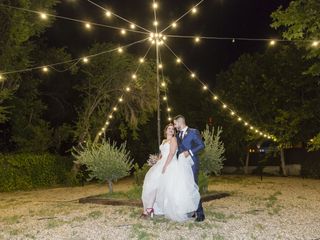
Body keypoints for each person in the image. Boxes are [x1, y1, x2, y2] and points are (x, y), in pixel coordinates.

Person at [141, 123, 200, 222]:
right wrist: (157, 160)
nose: (171, 130)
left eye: (173, 129)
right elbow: (162, 153)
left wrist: (165, 165)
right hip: (161, 164)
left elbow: (172, 153)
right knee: (153, 186)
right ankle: (149, 209)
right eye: (169, 128)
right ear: (166, 130)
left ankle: (180, 209)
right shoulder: (164, 141)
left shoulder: (174, 139)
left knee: (171, 189)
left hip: (170, 164)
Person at [173, 115, 206, 222]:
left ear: (180, 122)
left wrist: (190, 152)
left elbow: (201, 145)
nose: (174, 126)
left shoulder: (193, 132)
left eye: (175, 123)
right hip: (182, 165)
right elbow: (178, 150)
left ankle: (200, 214)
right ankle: (191, 211)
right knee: (185, 188)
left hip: (192, 164)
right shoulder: (178, 135)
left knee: (193, 187)